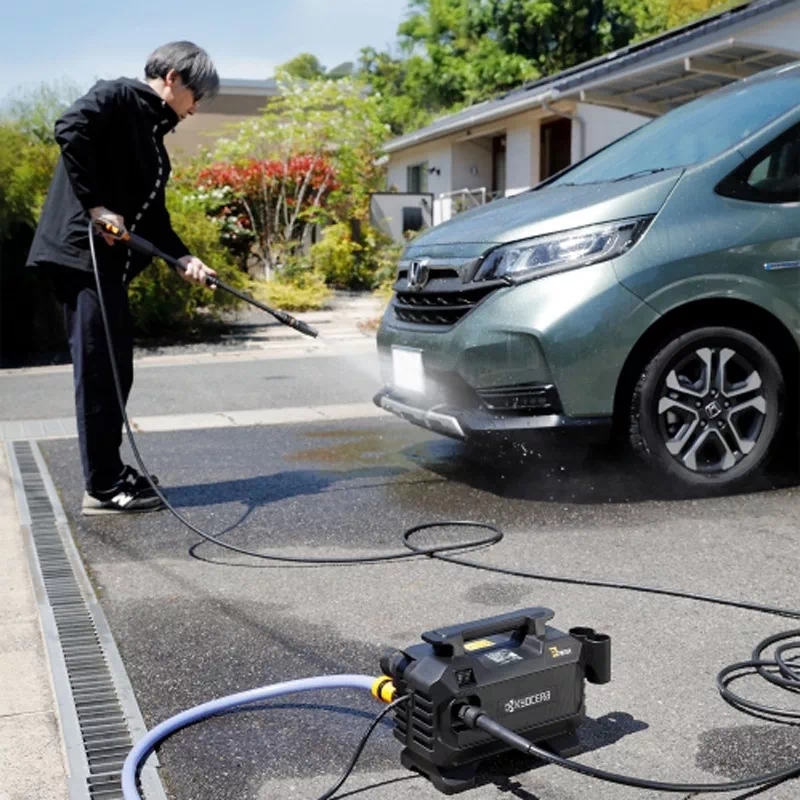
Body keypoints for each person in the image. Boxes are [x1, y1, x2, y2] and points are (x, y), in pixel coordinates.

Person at [27, 41, 220, 515]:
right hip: (80, 256)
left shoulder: (154, 143)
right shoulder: (118, 96)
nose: (196, 108)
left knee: (116, 368)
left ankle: (109, 470)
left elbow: (154, 221)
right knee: (100, 370)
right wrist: (96, 206)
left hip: (103, 266)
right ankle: (102, 488)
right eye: (196, 95)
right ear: (172, 78)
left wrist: (184, 259)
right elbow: (69, 127)